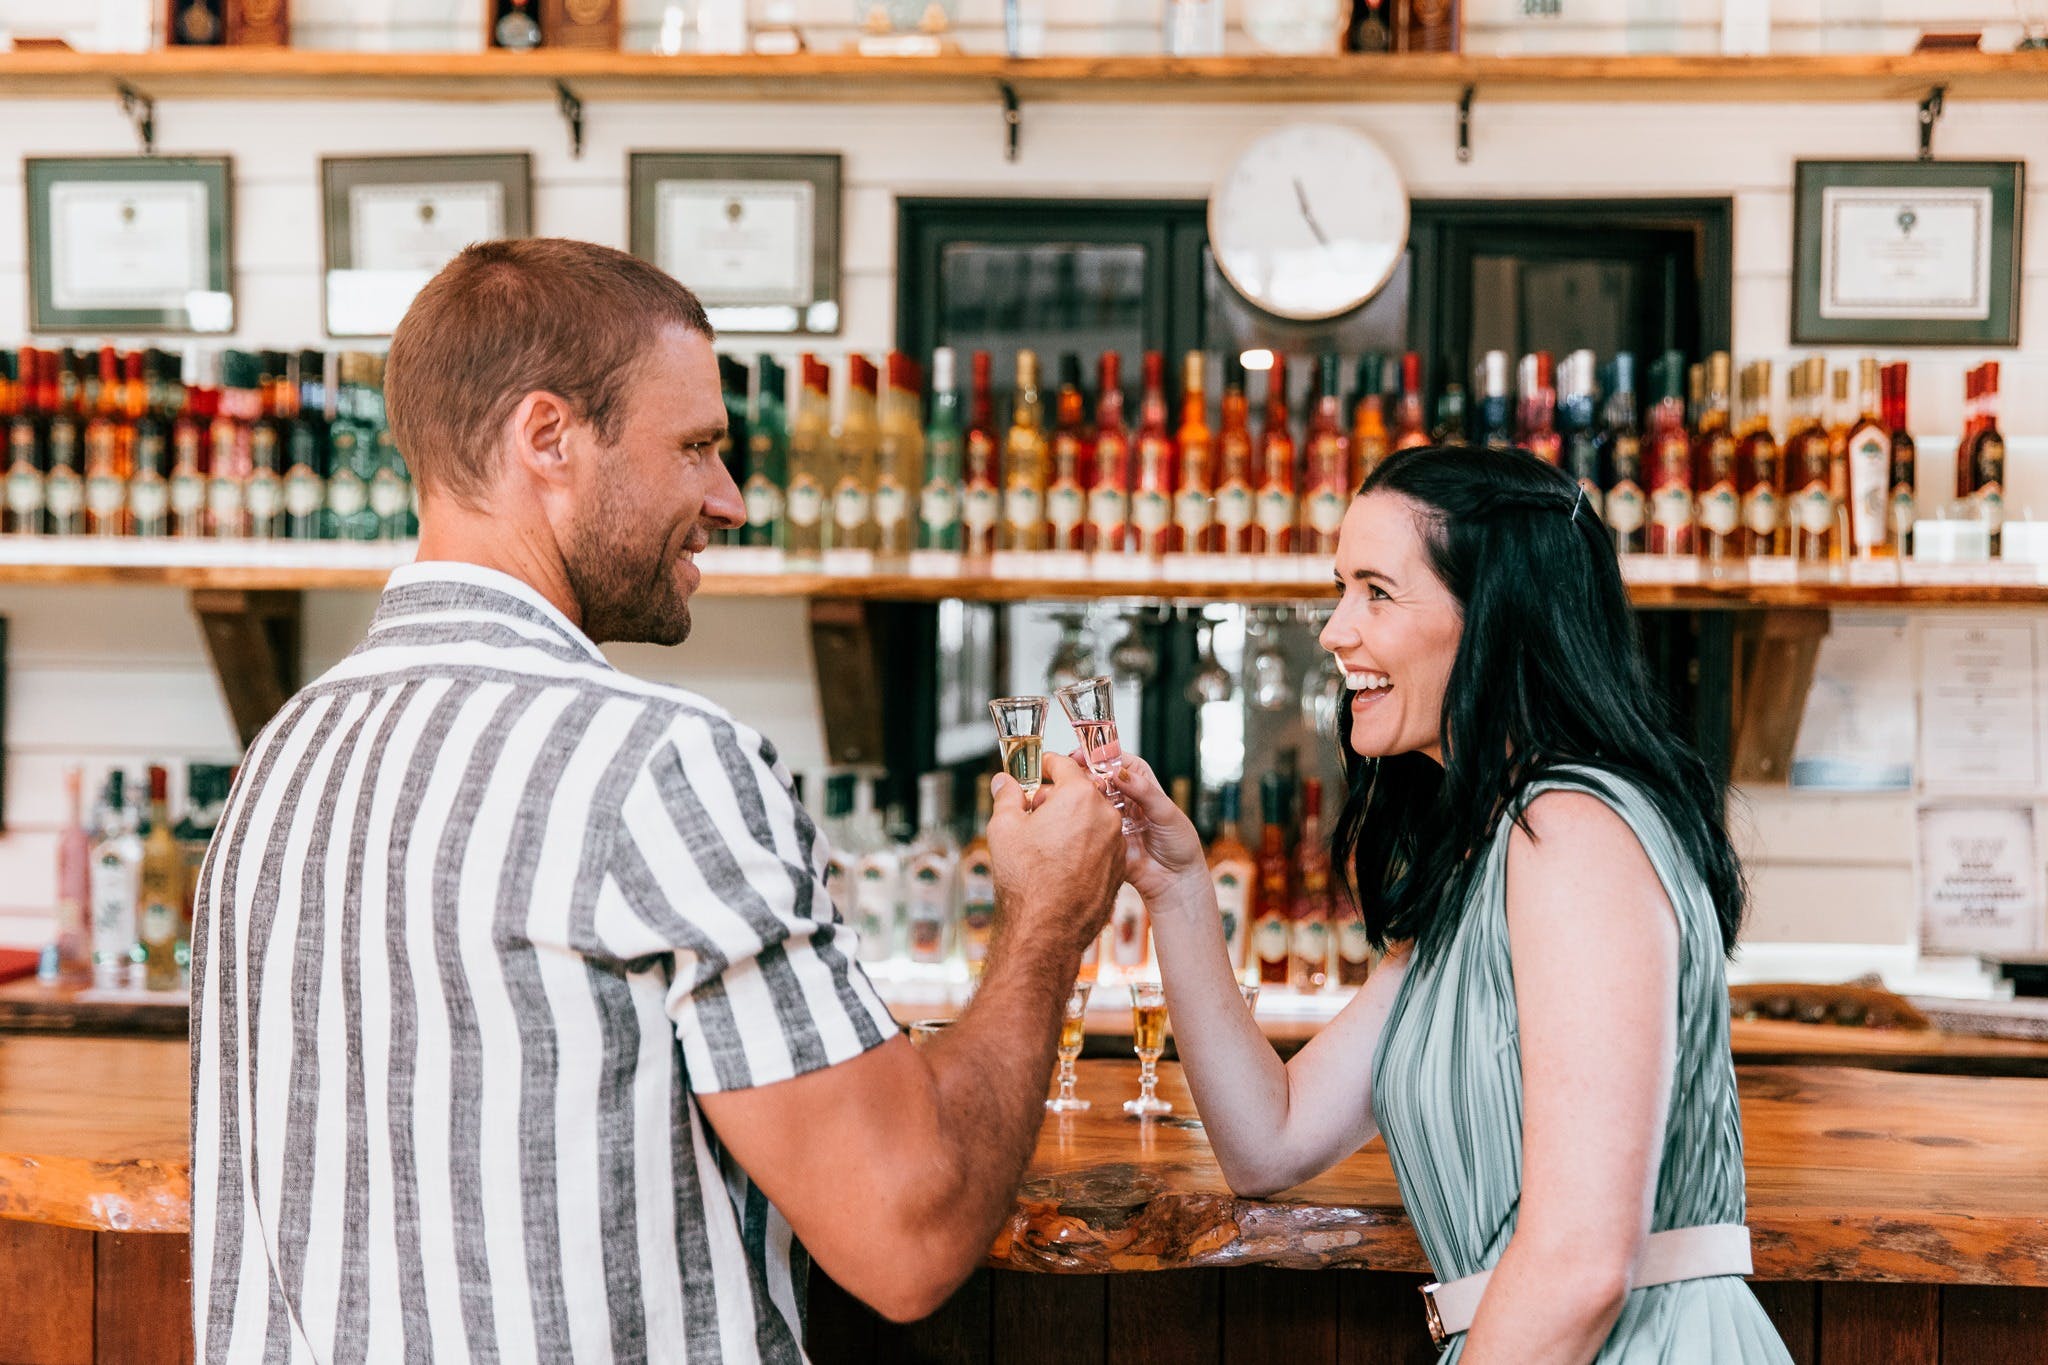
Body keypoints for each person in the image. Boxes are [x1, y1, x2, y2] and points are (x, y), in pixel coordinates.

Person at [188, 237, 1125, 1363]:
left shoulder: (283, 753)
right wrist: (1046, 920)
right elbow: (905, 1237)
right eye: (693, 449)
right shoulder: (656, 764)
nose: (725, 500)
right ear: (548, 438)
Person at [1108, 446, 1792, 1362]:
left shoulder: (1574, 831)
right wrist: (1180, 887)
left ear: (1496, 619)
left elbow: (1582, 1264)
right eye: (1340, 587)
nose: (1335, 630)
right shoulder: (1492, 858)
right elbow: (1266, 1139)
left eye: (1377, 592)